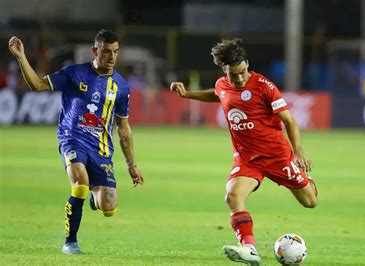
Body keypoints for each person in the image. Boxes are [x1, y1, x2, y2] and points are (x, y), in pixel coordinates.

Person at [170, 38, 318, 265]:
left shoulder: (264, 86)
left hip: (277, 156)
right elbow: (217, 93)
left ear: (247, 64)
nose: (238, 79)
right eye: (232, 74)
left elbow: (289, 120)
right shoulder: (223, 84)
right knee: (232, 196)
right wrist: (187, 94)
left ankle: (308, 181)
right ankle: (248, 248)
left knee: (310, 202)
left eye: (241, 72)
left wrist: (298, 152)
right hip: (248, 159)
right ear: (224, 70)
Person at [8, 29, 144, 254]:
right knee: (79, 184)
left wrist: (132, 165)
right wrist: (21, 57)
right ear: (95, 51)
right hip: (72, 139)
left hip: (101, 148)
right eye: (107, 51)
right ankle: (70, 241)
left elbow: (123, 128)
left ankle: (95, 196)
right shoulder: (74, 73)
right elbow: (38, 85)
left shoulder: (121, 86)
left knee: (108, 207)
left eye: (116, 52)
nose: (112, 57)